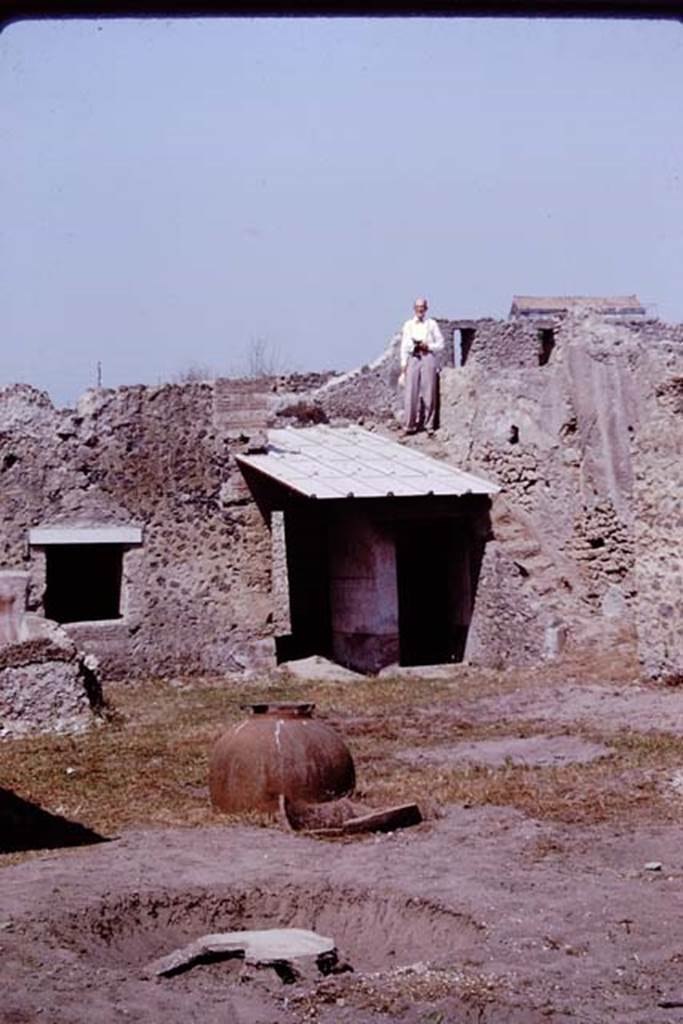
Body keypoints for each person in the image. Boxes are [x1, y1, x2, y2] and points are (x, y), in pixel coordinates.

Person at [399, 297, 445, 435]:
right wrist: (403, 364)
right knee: (410, 393)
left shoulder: (431, 324)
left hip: (427, 357)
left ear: (426, 308)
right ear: (414, 308)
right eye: (418, 306)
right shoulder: (408, 325)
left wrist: (428, 346)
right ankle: (409, 426)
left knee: (429, 392)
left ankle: (429, 426)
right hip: (413, 358)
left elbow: (441, 344)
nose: (420, 309)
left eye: (423, 306)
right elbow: (403, 346)